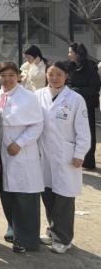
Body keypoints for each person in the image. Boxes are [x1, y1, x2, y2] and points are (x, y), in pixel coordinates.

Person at [37, 61, 91, 254]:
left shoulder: (75, 99)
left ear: (66, 76)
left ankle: (63, 238)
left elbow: (83, 130)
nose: (54, 78)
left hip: (66, 156)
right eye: (51, 74)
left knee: (64, 199)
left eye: (59, 74)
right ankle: (53, 231)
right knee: (47, 195)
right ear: (46, 74)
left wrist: (79, 153)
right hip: (44, 155)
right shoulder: (38, 95)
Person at [0, 61, 44, 254]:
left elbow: (37, 125)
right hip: (3, 155)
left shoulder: (28, 97)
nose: (7, 79)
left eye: (11, 75)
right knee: (7, 196)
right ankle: (13, 229)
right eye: (3, 75)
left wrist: (20, 143)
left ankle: (28, 240)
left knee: (26, 198)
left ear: (18, 76)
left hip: (23, 155)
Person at [67, 42, 101, 170]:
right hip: (72, 104)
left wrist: (76, 91)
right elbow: (67, 83)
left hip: (87, 104)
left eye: (70, 52)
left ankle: (89, 161)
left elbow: (94, 87)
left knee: (88, 132)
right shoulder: (70, 66)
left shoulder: (90, 67)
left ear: (78, 54)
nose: (68, 55)